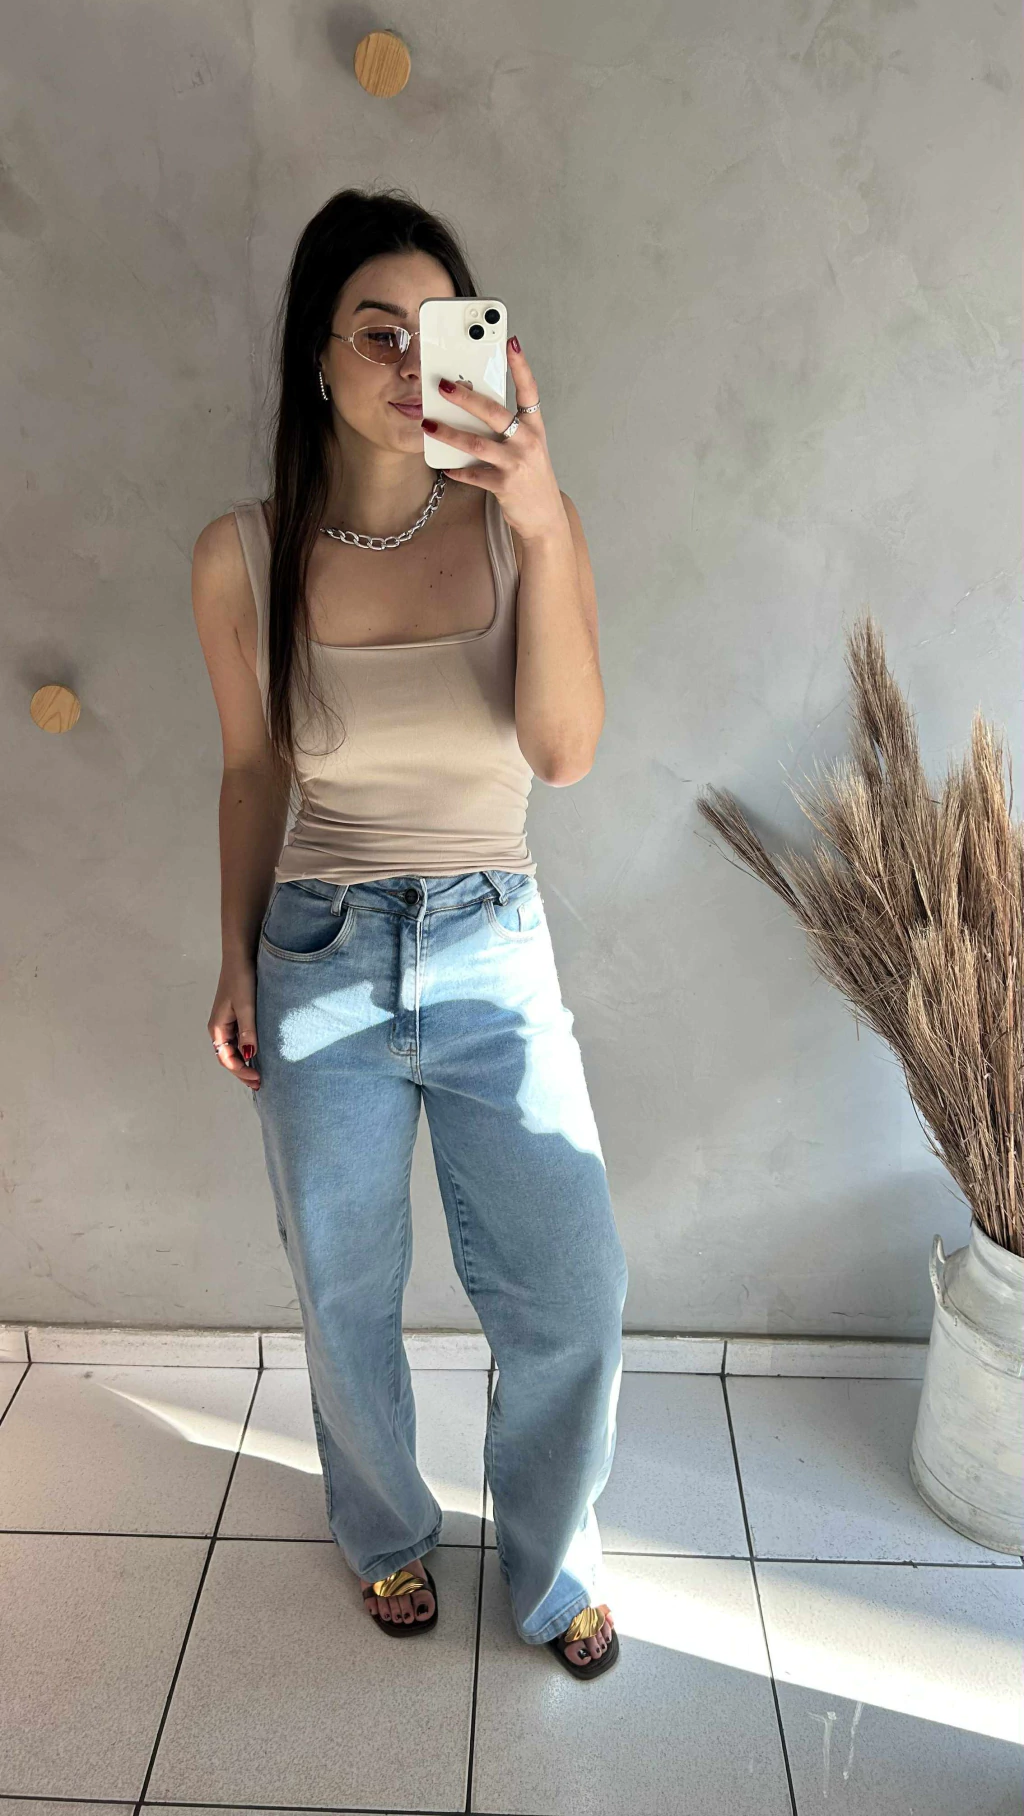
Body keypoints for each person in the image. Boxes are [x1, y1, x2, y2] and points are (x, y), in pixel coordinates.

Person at [191, 187, 628, 1679]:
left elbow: (564, 754)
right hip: (317, 956)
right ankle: (384, 1529)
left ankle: (553, 1561)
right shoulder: (242, 556)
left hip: (494, 943)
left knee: (572, 1288)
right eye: (375, 331)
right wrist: (234, 953)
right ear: (315, 356)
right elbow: (252, 772)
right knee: (344, 1289)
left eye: (438, 331)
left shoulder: (520, 527)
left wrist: (544, 517)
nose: (406, 361)